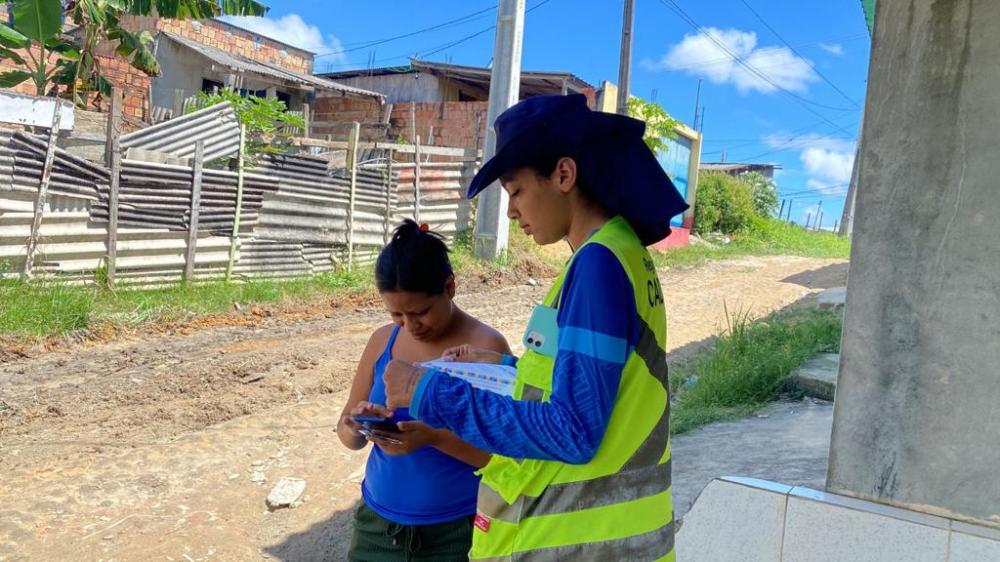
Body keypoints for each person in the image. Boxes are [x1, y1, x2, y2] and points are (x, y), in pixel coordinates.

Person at [379, 94, 688, 561]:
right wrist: (505, 369)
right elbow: (595, 383)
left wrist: (427, 392)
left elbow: (573, 430)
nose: (510, 212)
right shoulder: (616, 254)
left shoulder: (598, 265)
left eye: (516, 190)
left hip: (580, 543)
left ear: (563, 175)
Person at [336, 220, 513, 562]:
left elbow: (503, 458)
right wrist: (358, 424)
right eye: (397, 314)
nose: (410, 326)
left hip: (457, 532)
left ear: (449, 288)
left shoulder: (485, 348)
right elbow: (345, 432)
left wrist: (433, 438)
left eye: (420, 312)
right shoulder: (382, 341)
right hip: (377, 526)